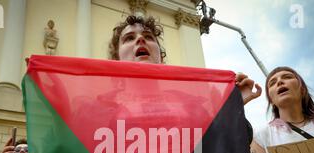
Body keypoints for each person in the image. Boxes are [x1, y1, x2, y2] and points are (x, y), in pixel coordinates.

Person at [108, 15, 261, 106]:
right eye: (129, 38)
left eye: (148, 36)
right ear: (116, 59)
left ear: (161, 58)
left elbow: (220, 150)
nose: (141, 39)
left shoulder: (192, 105)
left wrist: (233, 106)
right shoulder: (94, 111)